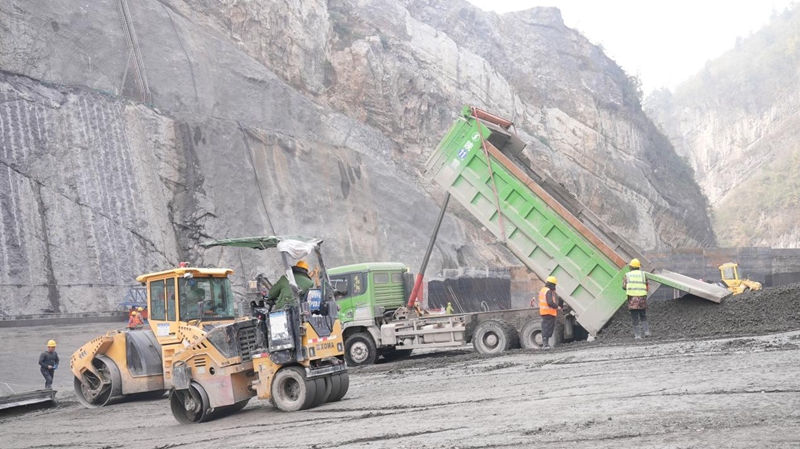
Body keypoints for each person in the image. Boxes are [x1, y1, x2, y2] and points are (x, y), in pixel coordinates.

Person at [623, 258, 650, 340]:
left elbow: (624, 287)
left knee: (635, 318)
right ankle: (646, 332)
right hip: (642, 299)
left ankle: (638, 335)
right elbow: (647, 285)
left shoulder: (627, 275)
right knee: (643, 315)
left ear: (631, 267)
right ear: (638, 267)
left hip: (633, 300)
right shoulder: (643, 274)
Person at [537, 276, 561, 350]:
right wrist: (557, 307)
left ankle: (546, 344)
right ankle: (545, 345)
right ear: (552, 284)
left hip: (544, 312)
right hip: (548, 313)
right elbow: (550, 302)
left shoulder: (543, 290)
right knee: (547, 329)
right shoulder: (548, 291)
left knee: (546, 328)